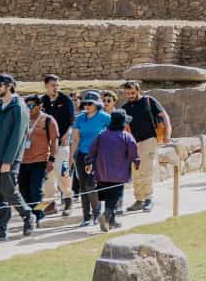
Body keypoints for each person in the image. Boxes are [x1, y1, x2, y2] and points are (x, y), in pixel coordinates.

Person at [0, 75, 33, 241]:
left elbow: (17, 136)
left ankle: (27, 214)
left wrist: (8, 160)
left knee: (8, 190)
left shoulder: (19, 107)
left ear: (9, 86)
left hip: (9, 157)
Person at [120, 81, 169, 213]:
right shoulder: (125, 108)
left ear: (138, 91)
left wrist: (167, 133)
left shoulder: (149, 101)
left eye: (132, 92)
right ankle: (139, 199)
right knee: (135, 170)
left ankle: (148, 198)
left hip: (149, 139)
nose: (130, 95)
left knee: (146, 168)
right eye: (128, 93)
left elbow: (164, 116)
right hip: (133, 142)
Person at [87, 111, 139, 232]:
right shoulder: (126, 136)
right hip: (118, 173)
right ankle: (106, 215)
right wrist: (136, 161)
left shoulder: (102, 135)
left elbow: (92, 150)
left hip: (102, 171)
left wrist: (88, 161)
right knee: (115, 197)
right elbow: (133, 151)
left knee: (107, 196)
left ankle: (111, 221)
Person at [65, 91, 109, 227]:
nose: (87, 106)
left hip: (98, 155)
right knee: (83, 186)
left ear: (97, 104)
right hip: (82, 155)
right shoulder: (80, 118)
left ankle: (97, 214)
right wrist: (71, 157)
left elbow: (113, 135)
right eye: (85, 103)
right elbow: (76, 139)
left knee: (91, 184)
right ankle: (86, 217)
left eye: (90, 103)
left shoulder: (105, 117)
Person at [19, 95, 59, 225]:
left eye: (31, 106)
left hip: (40, 160)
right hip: (22, 161)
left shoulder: (48, 120)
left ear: (39, 106)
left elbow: (54, 141)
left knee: (36, 190)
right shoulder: (22, 119)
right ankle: (29, 216)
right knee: (23, 190)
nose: (28, 109)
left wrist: (52, 159)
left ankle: (39, 215)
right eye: (27, 106)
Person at [41, 75, 76, 214]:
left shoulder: (65, 100)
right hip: (46, 145)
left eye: (57, 85)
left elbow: (72, 121)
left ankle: (68, 199)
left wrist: (68, 133)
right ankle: (50, 203)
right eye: (52, 85)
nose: (55, 87)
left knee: (64, 172)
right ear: (46, 86)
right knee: (48, 175)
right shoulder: (42, 101)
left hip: (62, 144)